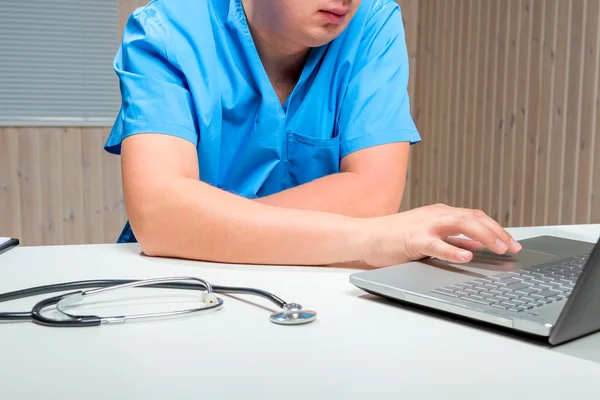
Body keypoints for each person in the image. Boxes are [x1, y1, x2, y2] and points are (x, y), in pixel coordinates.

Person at [105, 0, 522, 268]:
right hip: (184, 277)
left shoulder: (371, 22)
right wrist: (371, 238)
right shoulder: (165, 32)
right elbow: (162, 219)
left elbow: (375, 195)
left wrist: (209, 224)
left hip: (317, 279)